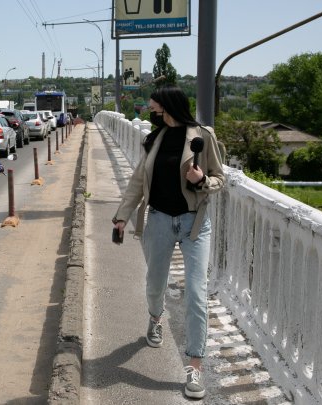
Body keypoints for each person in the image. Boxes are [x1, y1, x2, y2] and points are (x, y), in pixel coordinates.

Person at [111, 86, 225, 399]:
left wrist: (202, 181)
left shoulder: (203, 136)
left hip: (194, 224)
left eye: (154, 107)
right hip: (159, 220)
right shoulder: (153, 139)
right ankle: (155, 318)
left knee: (196, 293)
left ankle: (195, 368)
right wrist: (122, 216)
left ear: (168, 107)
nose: (150, 111)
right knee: (154, 284)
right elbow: (138, 182)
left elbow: (220, 178)